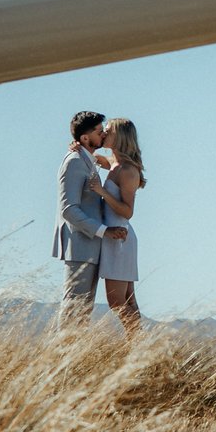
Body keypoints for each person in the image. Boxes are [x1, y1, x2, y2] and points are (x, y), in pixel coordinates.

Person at [55, 110, 127, 325]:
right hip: (79, 246)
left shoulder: (88, 159)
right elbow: (68, 209)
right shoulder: (74, 161)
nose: (103, 134)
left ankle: (72, 357)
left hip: (91, 246)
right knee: (73, 308)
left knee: (82, 310)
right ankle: (58, 356)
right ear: (85, 138)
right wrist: (105, 231)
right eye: (98, 131)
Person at [92, 117, 148, 331]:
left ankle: (137, 346)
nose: (104, 134)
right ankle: (139, 348)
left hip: (120, 238)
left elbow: (128, 211)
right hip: (115, 236)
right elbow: (99, 159)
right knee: (128, 301)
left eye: (108, 131)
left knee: (117, 302)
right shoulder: (114, 164)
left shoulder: (127, 171)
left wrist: (101, 191)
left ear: (120, 137)